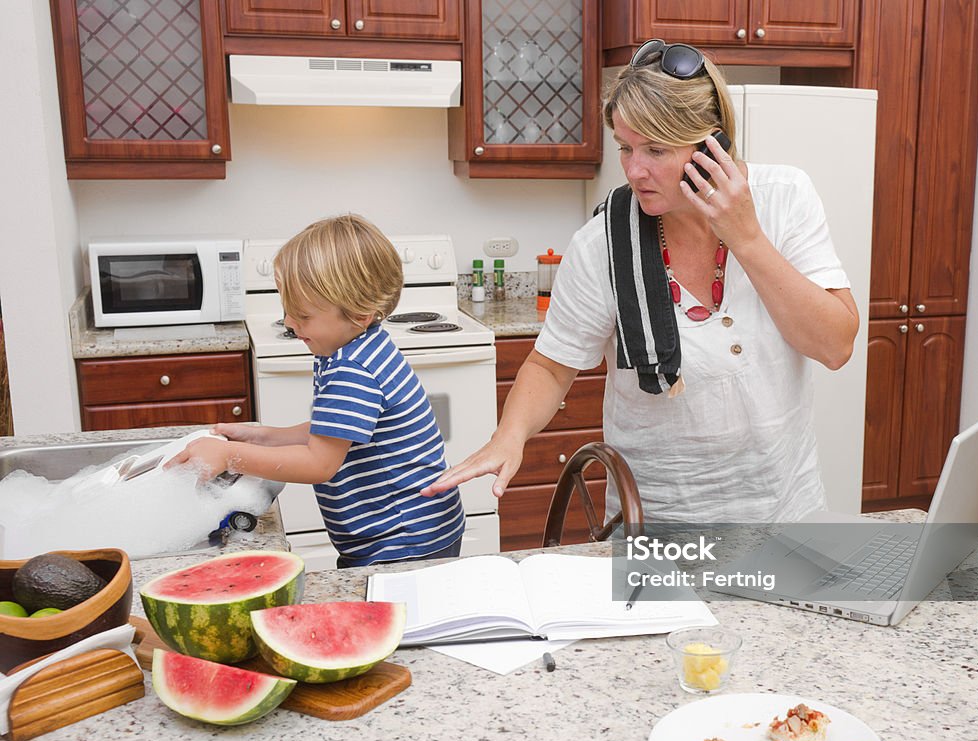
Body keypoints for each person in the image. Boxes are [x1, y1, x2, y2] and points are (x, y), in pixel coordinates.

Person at [424, 40, 858, 524]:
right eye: (626, 148)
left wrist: (748, 240)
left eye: (656, 149)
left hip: (789, 513)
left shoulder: (786, 200)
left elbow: (834, 346)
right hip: (658, 521)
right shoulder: (602, 244)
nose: (634, 170)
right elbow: (549, 368)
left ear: (713, 145)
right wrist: (509, 435)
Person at [168, 214, 465, 565]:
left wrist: (229, 456)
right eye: (287, 311)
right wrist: (261, 437)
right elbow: (334, 434)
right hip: (409, 532)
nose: (291, 324)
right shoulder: (352, 347)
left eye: (303, 315)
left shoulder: (353, 369)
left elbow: (319, 463)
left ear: (359, 313)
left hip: (401, 541)